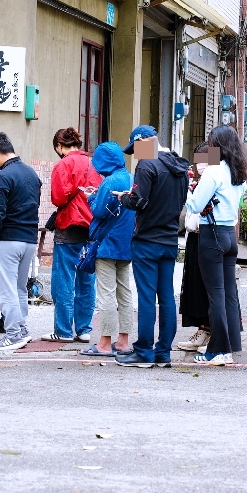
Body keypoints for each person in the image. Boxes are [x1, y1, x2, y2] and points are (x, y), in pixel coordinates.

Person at [115, 125, 190, 369]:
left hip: (147, 241)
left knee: (147, 297)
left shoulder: (147, 164)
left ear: (144, 142)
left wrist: (124, 198)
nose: (135, 153)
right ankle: (163, 352)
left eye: (135, 148)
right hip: (170, 239)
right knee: (166, 296)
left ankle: (144, 351)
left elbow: (140, 201)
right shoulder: (179, 165)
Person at [185, 126, 247, 366]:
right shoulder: (238, 173)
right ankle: (231, 345)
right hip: (229, 235)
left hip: (211, 236)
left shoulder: (213, 172)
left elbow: (194, 205)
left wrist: (186, 191)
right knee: (229, 294)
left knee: (216, 296)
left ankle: (219, 350)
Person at [42, 127, 102, 343]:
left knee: (64, 281)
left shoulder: (63, 164)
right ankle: (84, 329)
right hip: (92, 226)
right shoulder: (94, 163)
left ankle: (63, 330)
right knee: (87, 279)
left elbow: (58, 199)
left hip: (69, 226)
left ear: (59, 145)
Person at [0, 132, 42, 352]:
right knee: (19, 288)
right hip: (29, 239)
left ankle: (13, 333)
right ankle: (22, 329)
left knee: (6, 289)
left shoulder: (3, 177)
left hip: (7, 239)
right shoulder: (31, 174)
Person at [80, 141, 136, 357]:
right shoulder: (131, 178)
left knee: (106, 295)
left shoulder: (109, 180)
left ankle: (104, 343)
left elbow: (99, 211)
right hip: (126, 243)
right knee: (125, 293)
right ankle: (124, 341)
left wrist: (91, 197)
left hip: (106, 244)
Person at [177, 143, 211, 353]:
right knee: (194, 285)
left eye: (203, 160)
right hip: (194, 236)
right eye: (197, 160)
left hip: (207, 235)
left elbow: (197, 207)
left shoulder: (214, 178)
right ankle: (202, 329)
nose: (199, 165)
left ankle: (210, 331)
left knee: (206, 286)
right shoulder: (199, 182)